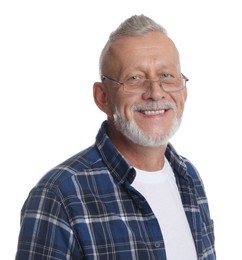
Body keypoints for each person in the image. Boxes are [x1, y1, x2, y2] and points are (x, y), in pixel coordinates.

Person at [16, 14, 215, 260]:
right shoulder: (60, 194)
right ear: (103, 97)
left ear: (184, 91)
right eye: (134, 78)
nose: (155, 92)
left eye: (166, 76)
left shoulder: (190, 179)